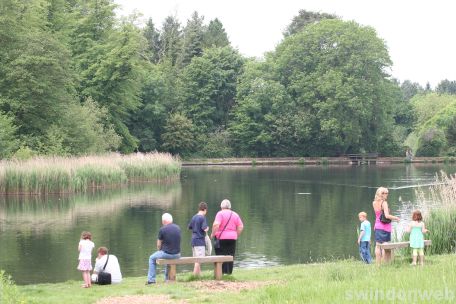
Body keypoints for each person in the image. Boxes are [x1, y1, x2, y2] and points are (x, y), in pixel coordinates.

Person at [146, 213, 181, 284]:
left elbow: (158, 245)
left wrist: (159, 251)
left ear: (163, 221)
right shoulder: (178, 228)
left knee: (152, 258)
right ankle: (167, 278)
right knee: (167, 256)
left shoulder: (162, 229)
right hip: (177, 254)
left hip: (167, 254)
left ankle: (151, 280)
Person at [211, 199, 244, 274]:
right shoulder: (235, 214)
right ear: (230, 206)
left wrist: (213, 234)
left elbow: (216, 225)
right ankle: (229, 273)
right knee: (230, 255)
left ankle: (221, 273)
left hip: (221, 238)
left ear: (221, 206)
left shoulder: (220, 213)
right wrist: (236, 234)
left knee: (221, 255)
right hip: (232, 238)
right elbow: (241, 226)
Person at [372, 187, 400, 265]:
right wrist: (396, 218)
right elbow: (387, 216)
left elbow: (378, 215)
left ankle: (378, 264)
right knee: (385, 245)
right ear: (382, 194)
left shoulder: (374, 203)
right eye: (386, 193)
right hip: (385, 227)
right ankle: (385, 263)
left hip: (377, 226)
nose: (387, 195)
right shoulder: (384, 203)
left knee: (377, 246)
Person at [188, 202, 209, 276]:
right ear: (205, 210)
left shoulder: (194, 217)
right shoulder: (202, 217)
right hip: (199, 241)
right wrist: (207, 228)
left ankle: (199, 275)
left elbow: (190, 227)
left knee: (196, 259)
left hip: (193, 240)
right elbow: (204, 228)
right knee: (199, 260)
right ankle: (194, 275)